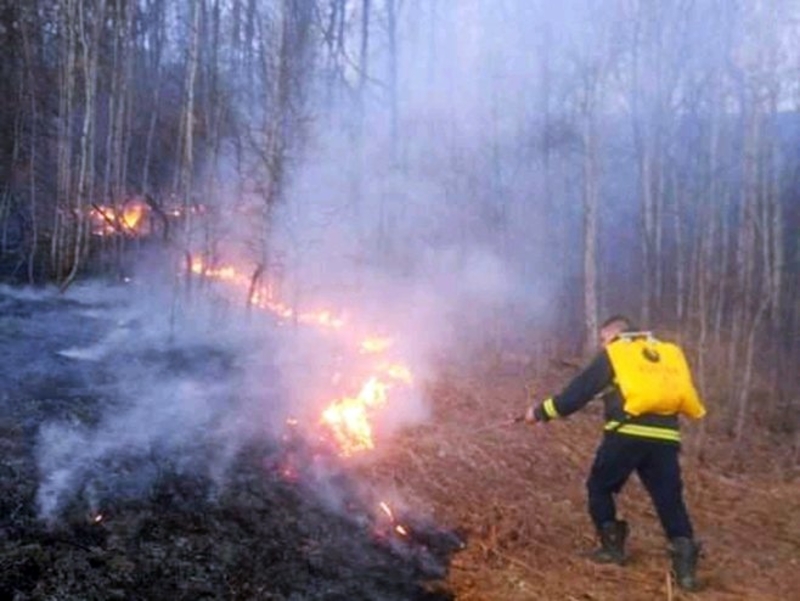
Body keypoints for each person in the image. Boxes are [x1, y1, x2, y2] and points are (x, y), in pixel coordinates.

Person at [524, 315, 706, 591]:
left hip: (626, 434)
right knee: (669, 499)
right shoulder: (659, 354)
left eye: (602, 338)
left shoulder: (617, 352)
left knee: (599, 487)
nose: (602, 344)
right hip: (666, 439)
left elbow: (578, 393)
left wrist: (540, 413)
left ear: (614, 334)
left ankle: (612, 549)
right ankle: (686, 573)